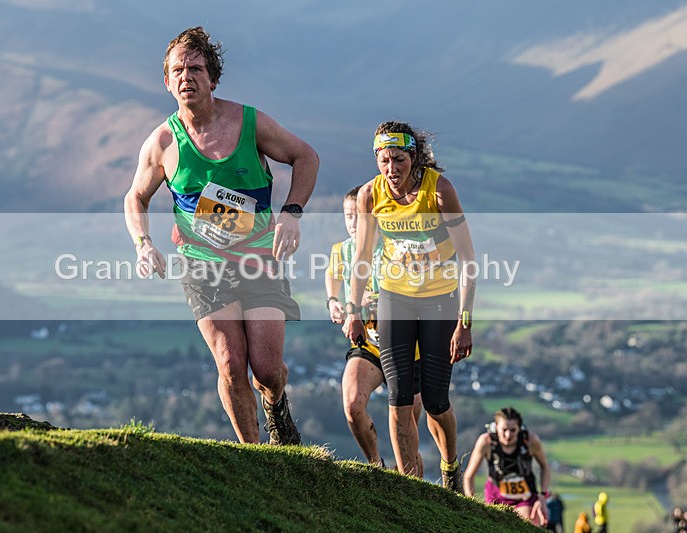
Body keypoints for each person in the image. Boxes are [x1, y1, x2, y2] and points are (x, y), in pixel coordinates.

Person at [124, 27, 318, 445]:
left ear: (213, 78)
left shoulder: (251, 123)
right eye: (178, 70)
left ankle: (275, 404)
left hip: (258, 259)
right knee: (231, 365)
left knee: (267, 370)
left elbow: (306, 156)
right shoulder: (162, 142)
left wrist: (291, 214)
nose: (186, 77)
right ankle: (257, 457)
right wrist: (144, 244)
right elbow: (134, 198)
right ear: (166, 81)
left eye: (195, 68)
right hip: (202, 264)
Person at [343, 121, 476, 490]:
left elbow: (468, 259)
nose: (391, 169)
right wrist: (354, 310)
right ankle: (410, 489)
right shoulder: (372, 194)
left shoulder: (439, 192)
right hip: (394, 297)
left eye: (398, 159)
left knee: (434, 400)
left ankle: (450, 468)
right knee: (399, 396)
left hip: (440, 300)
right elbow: (363, 257)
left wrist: (464, 321)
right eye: (383, 160)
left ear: (414, 157)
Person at [326, 186, 424, 468]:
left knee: (407, 434)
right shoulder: (342, 250)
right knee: (353, 406)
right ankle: (375, 467)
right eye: (348, 216)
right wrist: (334, 301)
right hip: (369, 343)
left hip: (408, 348)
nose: (354, 223)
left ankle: (414, 492)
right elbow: (332, 275)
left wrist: (378, 300)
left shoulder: (397, 247)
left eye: (359, 215)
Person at [463, 407, 552, 527]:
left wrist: (542, 497)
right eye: (504, 429)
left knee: (528, 524)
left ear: (519, 428)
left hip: (525, 496)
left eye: (513, 430)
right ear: (496, 427)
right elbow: (469, 476)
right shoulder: (486, 442)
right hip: (496, 495)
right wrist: (471, 504)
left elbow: (545, 467)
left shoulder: (530, 441)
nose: (508, 435)